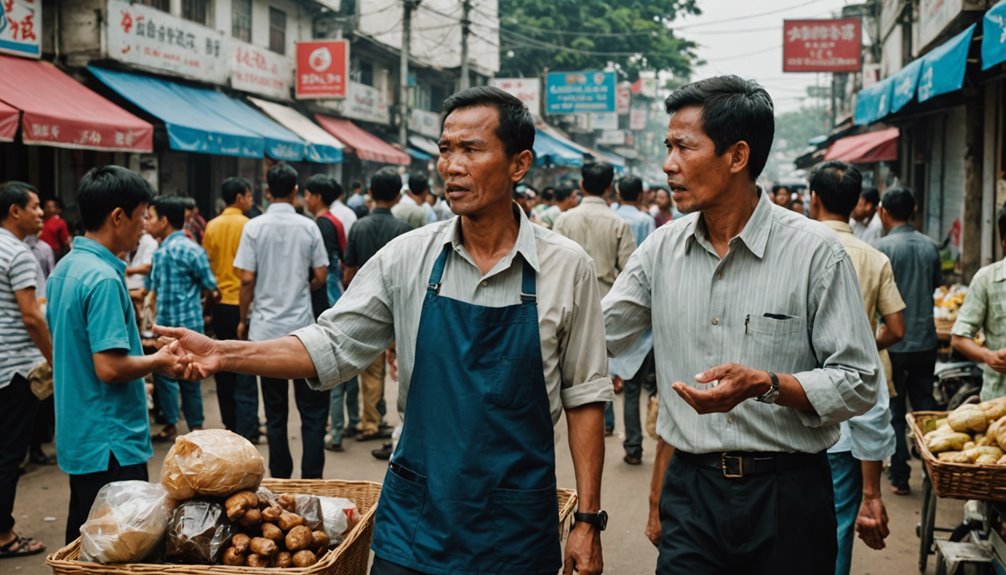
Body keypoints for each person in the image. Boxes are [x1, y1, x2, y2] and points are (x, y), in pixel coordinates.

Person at [159, 86, 610, 575]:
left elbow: (584, 397)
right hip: (417, 519)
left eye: (471, 149)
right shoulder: (408, 257)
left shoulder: (567, 268)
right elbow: (330, 344)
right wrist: (224, 353)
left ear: (519, 164)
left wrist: (587, 520)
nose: (451, 166)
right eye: (445, 149)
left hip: (515, 524)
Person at [602, 76, 879, 573]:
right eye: (668, 146)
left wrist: (766, 385)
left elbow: (858, 381)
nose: (668, 165)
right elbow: (597, 334)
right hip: (690, 491)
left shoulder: (815, 253)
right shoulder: (660, 250)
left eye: (684, 147)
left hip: (787, 494)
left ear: (737, 156)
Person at [47, 166, 181, 543]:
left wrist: (149, 354)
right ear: (118, 216)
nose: (144, 227)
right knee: (119, 546)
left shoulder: (66, 268)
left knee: (85, 541)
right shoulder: (104, 279)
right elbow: (108, 367)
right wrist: (158, 361)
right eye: (140, 217)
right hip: (111, 441)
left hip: (82, 432)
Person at [808, 161, 903, 574]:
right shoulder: (874, 257)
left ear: (814, 199)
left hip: (792, 408)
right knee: (839, 523)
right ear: (858, 204)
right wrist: (863, 342)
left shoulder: (794, 249)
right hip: (847, 413)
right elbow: (896, 327)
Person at [232, 162, 330, 479]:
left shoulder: (254, 227)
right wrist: (302, 286)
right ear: (296, 191)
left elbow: (246, 280)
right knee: (312, 411)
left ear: (267, 190)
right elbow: (320, 275)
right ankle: (313, 478)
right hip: (304, 334)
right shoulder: (309, 226)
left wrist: (243, 319)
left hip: (266, 332)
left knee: (274, 412)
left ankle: (281, 476)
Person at [554, 162, 635, 435]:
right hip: (604, 301)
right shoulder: (618, 223)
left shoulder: (564, 220)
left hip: (565, 299)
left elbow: (554, 266)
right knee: (597, 366)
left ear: (581, 185)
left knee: (562, 363)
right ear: (610, 188)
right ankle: (605, 421)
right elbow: (628, 269)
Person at [874, 186, 941, 496]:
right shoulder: (930, 246)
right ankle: (932, 471)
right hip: (926, 339)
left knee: (896, 410)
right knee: (926, 405)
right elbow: (935, 285)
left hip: (895, 342)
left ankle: (900, 474)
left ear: (884, 212)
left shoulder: (882, 248)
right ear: (913, 211)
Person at [0, 181, 51, 559]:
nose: (41, 214)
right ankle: (4, 535)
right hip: (15, 368)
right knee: (9, 452)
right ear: (14, 211)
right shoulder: (18, 253)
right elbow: (32, 316)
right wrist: (54, 360)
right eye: (34, 207)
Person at [343, 168, 412, 442]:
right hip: (397, 307)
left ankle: (370, 420)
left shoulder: (358, 227)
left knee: (370, 367)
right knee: (399, 366)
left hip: (365, 304)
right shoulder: (405, 231)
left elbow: (348, 271)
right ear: (397, 196)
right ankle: (377, 419)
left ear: (370, 193)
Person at [145, 197, 218, 441]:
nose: (147, 222)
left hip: (164, 325)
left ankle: (170, 424)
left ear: (164, 221)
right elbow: (210, 284)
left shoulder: (160, 252)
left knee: (165, 376)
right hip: (190, 324)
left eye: (151, 217)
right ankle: (196, 427)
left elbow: (151, 288)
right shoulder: (192, 250)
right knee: (191, 375)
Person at [303, 175, 359, 451]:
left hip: (327, 297)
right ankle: (349, 420)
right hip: (336, 292)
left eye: (307, 194)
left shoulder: (323, 224)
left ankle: (334, 428)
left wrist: (311, 286)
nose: (305, 199)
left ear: (316, 196)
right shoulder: (334, 220)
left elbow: (322, 271)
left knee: (330, 359)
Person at [202, 177, 258, 442]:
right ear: (239, 197)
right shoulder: (249, 226)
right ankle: (248, 427)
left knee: (222, 365)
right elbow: (251, 273)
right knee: (246, 366)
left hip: (221, 302)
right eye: (248, 195)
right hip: (243, 303)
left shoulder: (211, 226)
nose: (251, 200)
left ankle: (230, 424)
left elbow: (208, 264)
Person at [610, 176, 657, 465]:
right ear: (640, 194)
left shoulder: (612, 218)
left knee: (627, 385)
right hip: (644, 309)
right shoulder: (644, 221)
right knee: (651, 384)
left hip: (612, 308)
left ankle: (632, 445)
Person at [952, 205, 1006, 401]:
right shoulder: (986, 279)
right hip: (997, 399)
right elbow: (959, 338)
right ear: (1004, 241)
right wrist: (988, 356)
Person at [614, 176, 656, 247]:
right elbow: (652, 247)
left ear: (619, 194)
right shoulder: (646, 220)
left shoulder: (611, 215)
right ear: (640, 195)